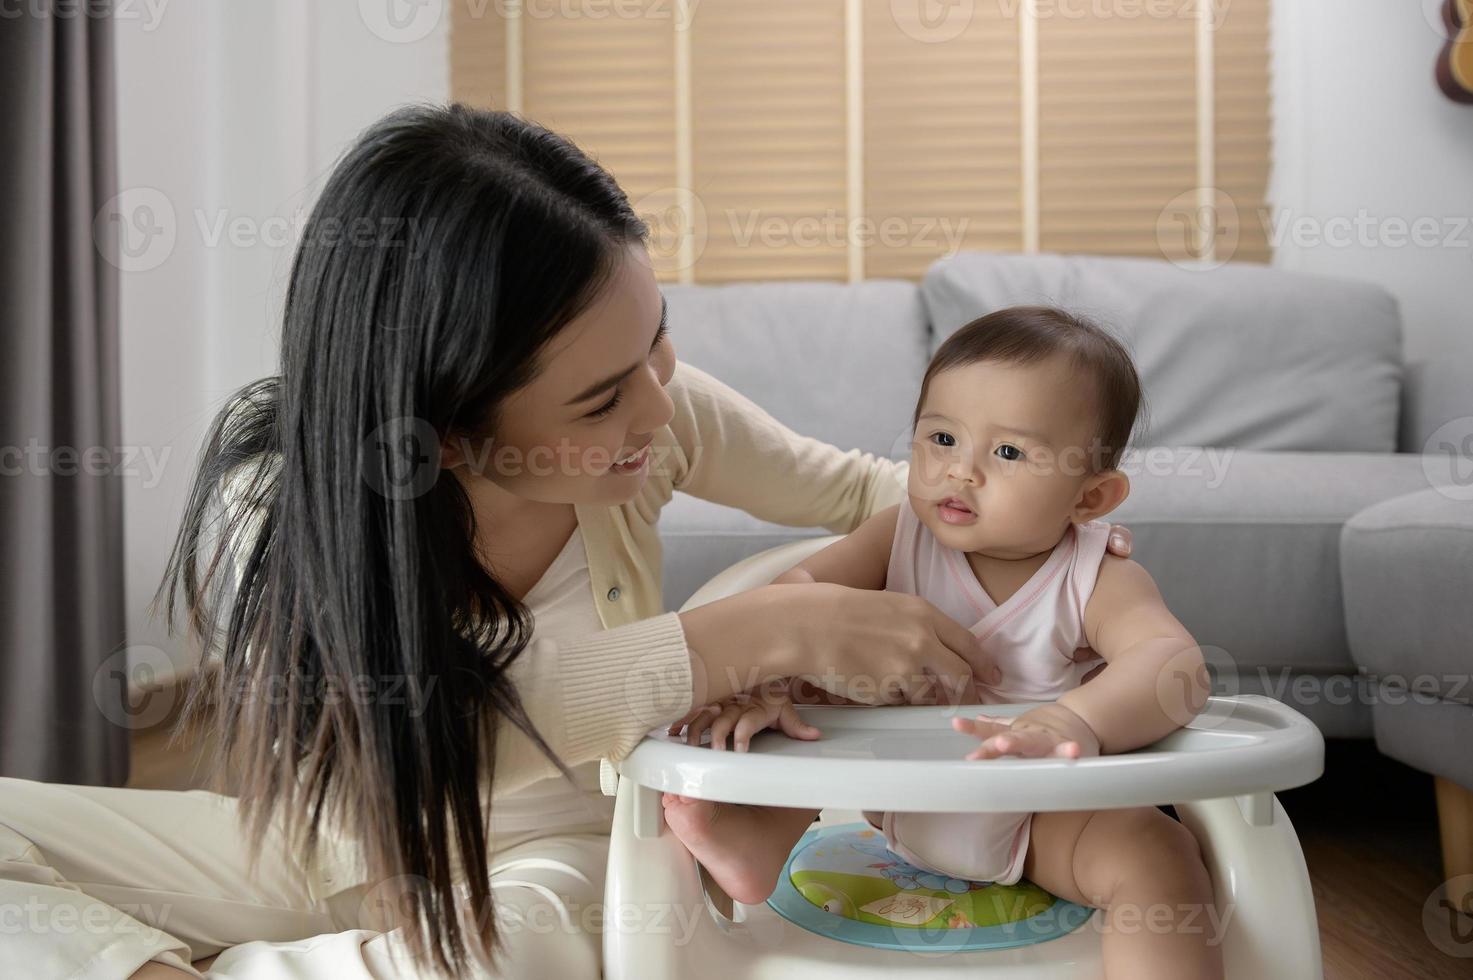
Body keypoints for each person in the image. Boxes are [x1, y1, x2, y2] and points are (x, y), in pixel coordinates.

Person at [0, 106, 1130, 979]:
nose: (656, 407)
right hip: (311, 847)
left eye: (660, 341)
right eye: (598, 402)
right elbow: (419, 739)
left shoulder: (665, 419)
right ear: (444, 438)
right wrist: (756, 630)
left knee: (552, 938)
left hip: (555, 856)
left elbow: (882, 491)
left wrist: (1071, 551)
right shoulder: (275, 513)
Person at [663, 307, 1220, 980]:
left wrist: (1074, 721)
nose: (960, 472)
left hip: (1041, 817)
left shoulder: (1095, 577)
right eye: (942, 438)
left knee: (1156, 858)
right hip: (888, 790)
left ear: (1090, 496)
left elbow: (1174, 666)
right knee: (802, 694)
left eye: (1008, 453)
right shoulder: (896, 535)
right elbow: (795, 599)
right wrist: (769, 681)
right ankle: (759, 838)